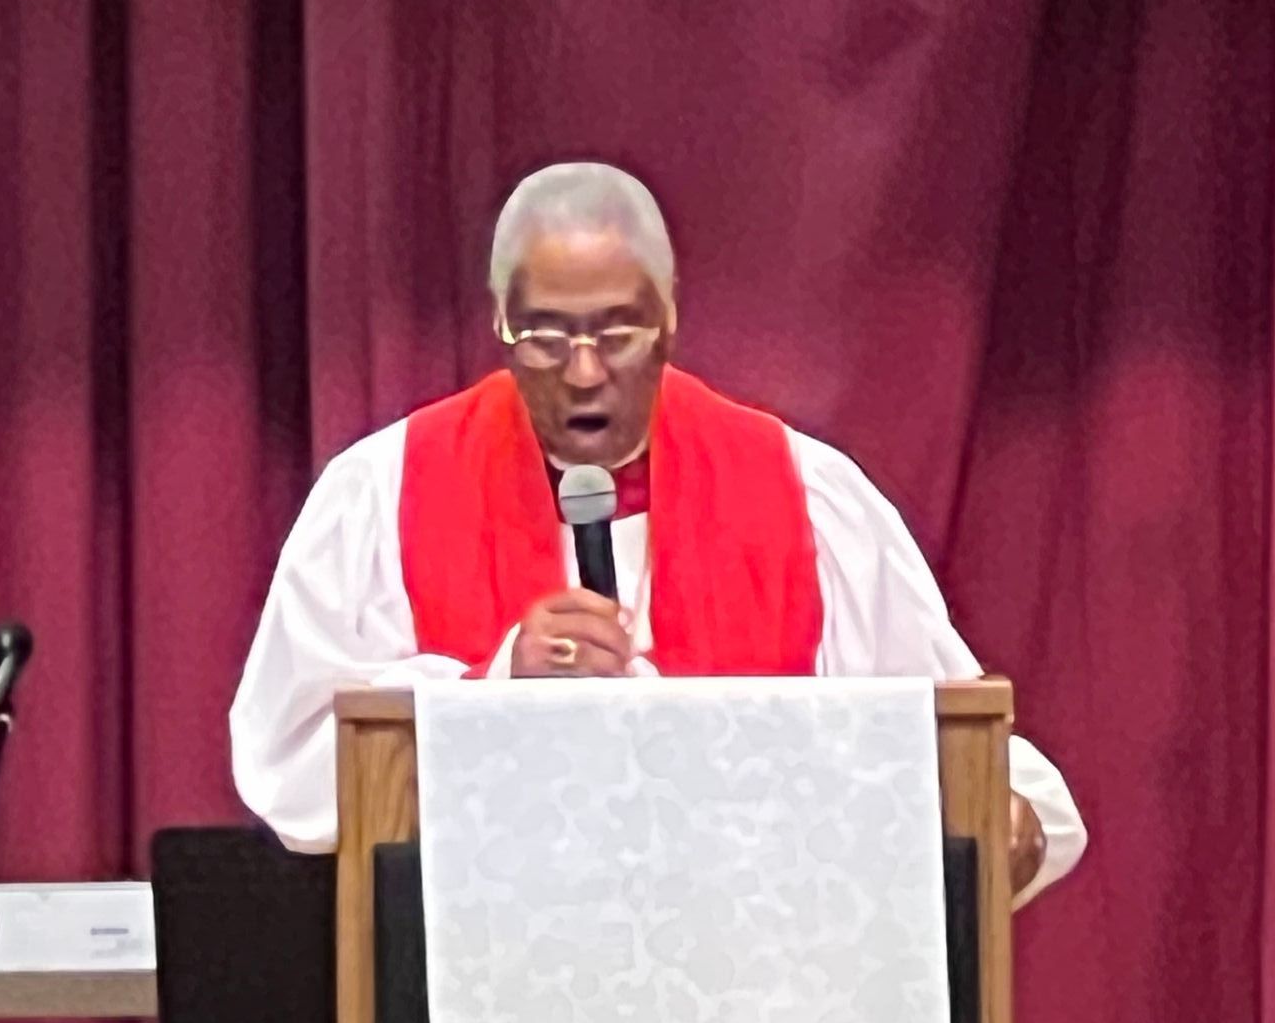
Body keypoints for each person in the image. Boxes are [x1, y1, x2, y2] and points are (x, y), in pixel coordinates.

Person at [232, 162, 1086, 900]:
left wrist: (1008, 818)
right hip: (474, 996)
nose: (584, 371)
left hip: (753, 990)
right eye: (545, 336)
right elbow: (290, 761)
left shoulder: (803, 495)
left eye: (617, 332)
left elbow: (947, 740)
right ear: (499, 323)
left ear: (671, 316)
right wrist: (493, 689)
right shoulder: (381, 494)